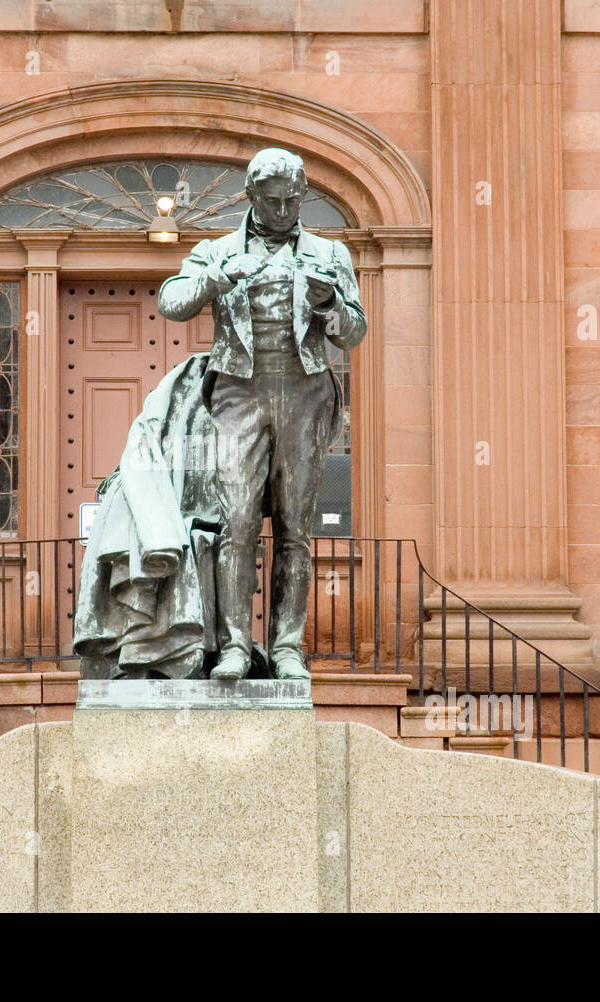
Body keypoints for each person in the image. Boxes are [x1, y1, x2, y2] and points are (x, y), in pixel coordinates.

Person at [157, 148, 366, 680]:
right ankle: (234, 646)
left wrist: (330, 306)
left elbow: (355, 332)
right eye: (271, 201)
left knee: (296, 527)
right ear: (250, 197)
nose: (282, 211)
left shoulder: (329, 253)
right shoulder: (217, 250)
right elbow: (171, 301)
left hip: (304, 392)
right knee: (239, 521)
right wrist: (217, 280)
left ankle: (288, 648)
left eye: (292, 201)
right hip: (239, 393)